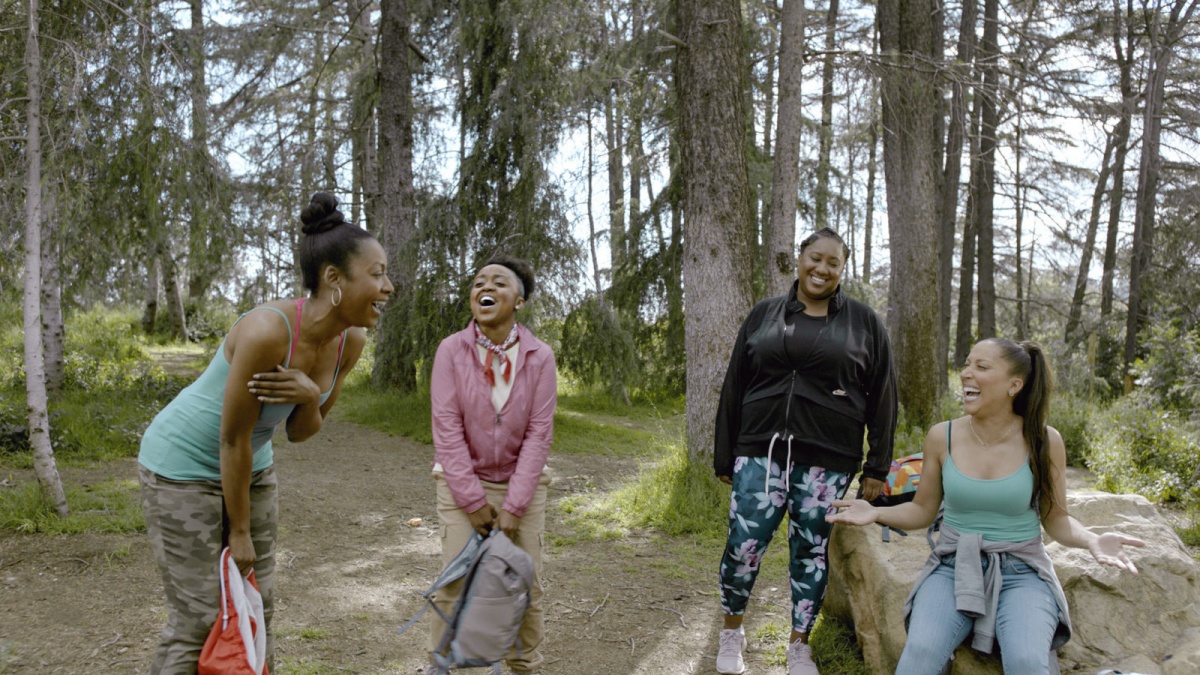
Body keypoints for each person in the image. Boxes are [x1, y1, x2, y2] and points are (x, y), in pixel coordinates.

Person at [137, 192, 393, 673]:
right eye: (377, 274)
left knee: (259, 606)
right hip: (181, 467)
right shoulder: (267, 330)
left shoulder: (349, 342)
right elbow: (232, 438)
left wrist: (306, 396)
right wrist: (238, 531)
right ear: (333, 279)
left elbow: (301, 432)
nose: (388, 286)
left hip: (251, 470)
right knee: (200, 618)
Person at [826, 338, 1146, 674]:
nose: (966, 374)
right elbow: (922, 511)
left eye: (981, 367)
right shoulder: (942, 436)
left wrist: (1091, 540)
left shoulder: (1044, 440)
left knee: (1026, 663)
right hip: (952, 568)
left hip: (1022, 573)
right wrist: (876, 512)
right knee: (918, 658)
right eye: (966, 364)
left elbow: (1057, 520)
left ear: (1014, 385)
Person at [714, 227, 898, 675]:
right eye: (815, 258)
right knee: (743, 546)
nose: (822, 269)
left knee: (810, 552)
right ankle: (731, 634)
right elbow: (735, 383)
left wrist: (877, 465)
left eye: (833, 262)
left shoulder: (863, 322)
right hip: (761, 450)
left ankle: (799, 646)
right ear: (800, 259)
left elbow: (883, 394)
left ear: (842, 269)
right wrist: (725, 453)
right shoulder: (764, 315)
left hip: (828, 458)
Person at [427, 253, 556, 674]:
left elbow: (539, 434)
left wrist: (515, 506)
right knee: (454, 583)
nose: (486, 287)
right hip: (463, 485)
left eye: (499, 282)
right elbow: (446, 430)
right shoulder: (451, 350)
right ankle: (447, 666)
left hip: (524, 486)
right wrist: (472, 500)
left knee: (526, 585)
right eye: (479, 281)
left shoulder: (540, 357)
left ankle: (522, 665)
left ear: (519, 300)